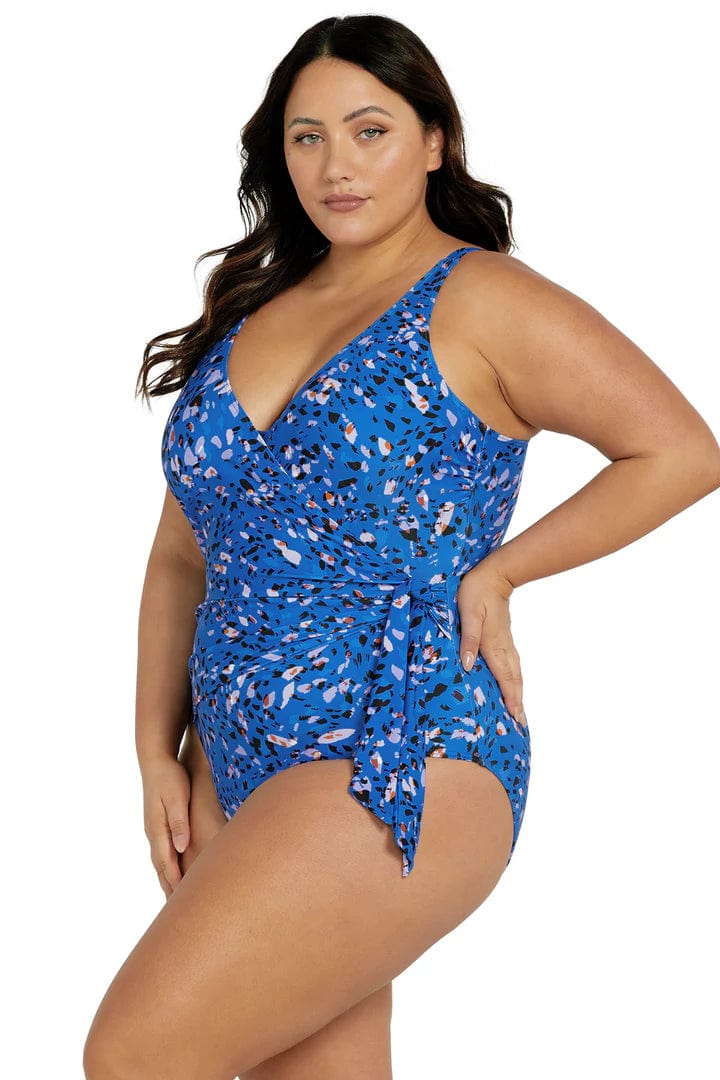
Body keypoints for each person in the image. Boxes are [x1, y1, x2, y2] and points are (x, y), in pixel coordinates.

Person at [83, 13, 720, 1079]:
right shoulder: (253, 311)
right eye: (307, 137)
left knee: (137, 1052)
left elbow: (681, 452)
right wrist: (156, 747)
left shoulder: (482, 298)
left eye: (369, 130)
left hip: (402, 738)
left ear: (434, 141)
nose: (336, 165)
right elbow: (181, 557)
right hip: (230, 761)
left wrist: (502, 571)